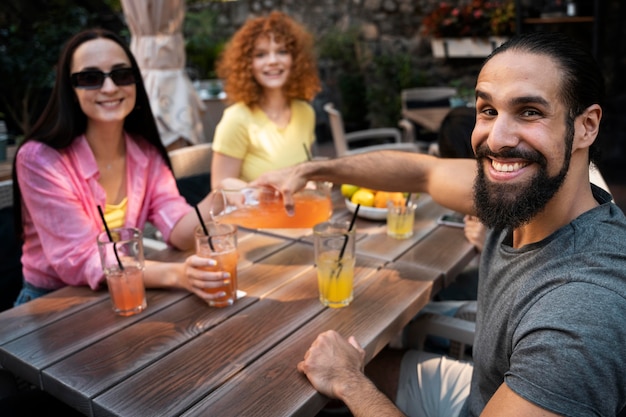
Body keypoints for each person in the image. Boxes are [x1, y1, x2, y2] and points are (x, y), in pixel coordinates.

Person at [252, 32, 626, 416]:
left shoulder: (583, 312)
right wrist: (311, 169)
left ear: (586, 126)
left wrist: (349, 381)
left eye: (530, 111)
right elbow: (422, 172)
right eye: (487, 110)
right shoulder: (523, 191)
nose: (496, 139)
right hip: (479, 390)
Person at [12, 29, 230, 306]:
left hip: (126, 291)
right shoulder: (40, 159)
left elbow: (178, 229)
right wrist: (176, 275)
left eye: (121, 74)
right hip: (53, 302)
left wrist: (224, 196)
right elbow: (80, 258)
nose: (109, 88)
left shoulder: (145, 152)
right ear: (71, 89)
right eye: (90, 78)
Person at [210, 11, 321, 190]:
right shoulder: (237, 118)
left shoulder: (305, 112)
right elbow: (219, 186)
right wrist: (263, 192)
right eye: (260, 55)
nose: (272, 61)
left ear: (295, 60)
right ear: (247, 64)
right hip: (257, 215)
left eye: (282, 52)